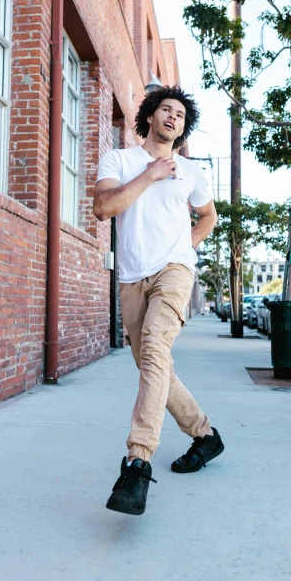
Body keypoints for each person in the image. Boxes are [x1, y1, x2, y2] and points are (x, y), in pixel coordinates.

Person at [93, 85, 224, 516]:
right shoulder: (120, 160)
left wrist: (184, 248)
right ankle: (205, 436)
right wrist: (150, 173)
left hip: (174, 272)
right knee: (155, 364)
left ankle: (137, 463)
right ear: (150, 116)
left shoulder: (191, 171)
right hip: (132, 278)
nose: (173, 117)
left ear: (184, 128)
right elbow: (103, 208)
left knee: (153, 350)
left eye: (181, 115)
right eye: (166, 110)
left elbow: (209, 217)